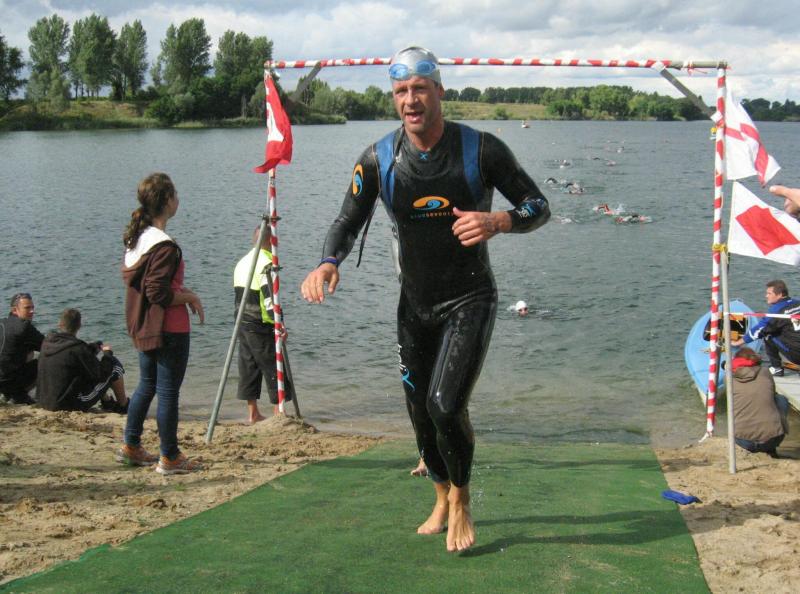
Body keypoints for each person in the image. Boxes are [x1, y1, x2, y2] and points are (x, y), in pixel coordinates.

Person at [300, 46, 550, 552]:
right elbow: (347, 220)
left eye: (419, 89)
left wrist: (499, 220)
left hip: (470, 298)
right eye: (400, 92)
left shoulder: (482, 150)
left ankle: (461, 497)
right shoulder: (379, 159)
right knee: (419, 411)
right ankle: (439, 495)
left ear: (439, 91)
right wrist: (328, 262)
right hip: (414, 305)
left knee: (445, 405)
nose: (410, 100)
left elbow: (537, 205)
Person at [118, 172, 205, 475]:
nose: (178, 200)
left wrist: (184, 292)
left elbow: (155, 285)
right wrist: (189, 296)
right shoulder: (163, 245)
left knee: (147, 385)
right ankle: (169, 456)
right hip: (169, 327)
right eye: (175, 195)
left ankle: (131, 445)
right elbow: (157, 292)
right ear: (167, 201)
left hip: (145, 324)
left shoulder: (138, 240)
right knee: (168, 392)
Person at [234, 226, 295, 423]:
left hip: (241, 320)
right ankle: (279, 412)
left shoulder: (243, 262)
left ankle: (253, 413)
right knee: (273, 365)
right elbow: (270, 299)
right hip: (260, 322)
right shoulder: (268, 263)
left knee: (248, 365)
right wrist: (279, 324)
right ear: (271, 241)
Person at [37, 308, 129, 413]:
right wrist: (107, 354)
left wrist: (90, 349)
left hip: (43, 401)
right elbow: (102, 375)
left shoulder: (47, 343)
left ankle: (107, 402)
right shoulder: (78, 348)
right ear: (79, 326)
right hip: (66, 405)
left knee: (86, 370)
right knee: (114, 366)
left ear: (60, 324)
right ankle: (123, 405)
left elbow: (72, 356)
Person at [732, 279, 800, 376]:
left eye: (769, 293)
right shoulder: (797, 303)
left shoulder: (776, 311)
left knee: (768, 334)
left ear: (780, 295)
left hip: (796, 355)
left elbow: (759, 330)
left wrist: (737, 342)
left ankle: (776, 368)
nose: (766, 296)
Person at [730, 347, 789, 457]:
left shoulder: (729, 378)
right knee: (781, 399)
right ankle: (771, 448)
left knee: (735, 404)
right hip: (772, 440)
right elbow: (772, 394)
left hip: (743, 441)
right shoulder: (765, 372)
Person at [0, 292, 44, 404]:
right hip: (9, 381)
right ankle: (19, 396)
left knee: (27, 352)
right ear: (15, 310)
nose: (32, 311)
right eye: (27, 308)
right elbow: (49, 347)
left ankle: (8, 395)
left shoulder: (2, 323)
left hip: (3, 377)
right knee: (46, 359)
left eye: (32, 307)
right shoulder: (24, 327)